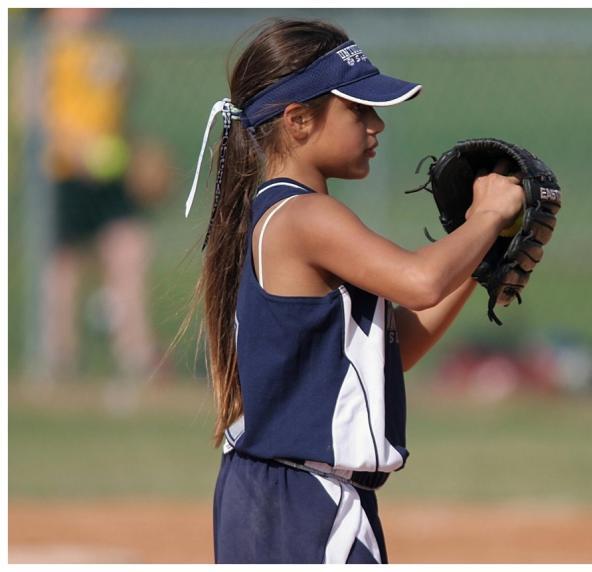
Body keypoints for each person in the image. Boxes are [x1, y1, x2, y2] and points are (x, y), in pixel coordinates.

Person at [184, 19, 524, 564]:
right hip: (298, 504)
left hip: (304, 497)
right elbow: (420, 282)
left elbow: (399, 347)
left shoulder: (295, 214)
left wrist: (481, 256)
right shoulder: (303, 216)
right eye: (358, 110)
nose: (376, 125)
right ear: (297, 120)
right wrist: (485, 218)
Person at [35, 9, 160, 403]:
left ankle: (137, 354)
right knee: (63, 266)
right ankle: (59, 358)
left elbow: (120, 106)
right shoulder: (42, 47)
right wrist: (80, 148)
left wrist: (134, 150)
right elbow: (34, 115)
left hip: (110, 171)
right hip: (62, 171)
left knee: (130, 250)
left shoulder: (108, 45)